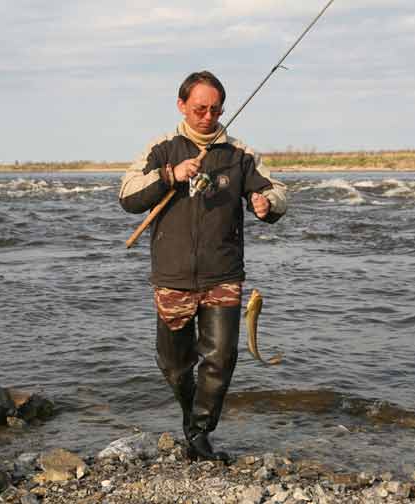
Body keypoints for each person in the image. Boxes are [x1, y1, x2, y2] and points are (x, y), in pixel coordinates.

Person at [119, 70, 287, 462]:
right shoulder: (162, 148)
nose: (208, 117)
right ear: (182, 106)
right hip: (173, 276)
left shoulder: (239, 154)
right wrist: (169, 175)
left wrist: (267, 204)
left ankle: (199, 433)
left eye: (215, 109)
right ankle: (190, 416)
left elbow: (276, 190)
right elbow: (127, 195)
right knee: (175, 365)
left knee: (221, 357)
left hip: (223, 274)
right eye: (200, 109)